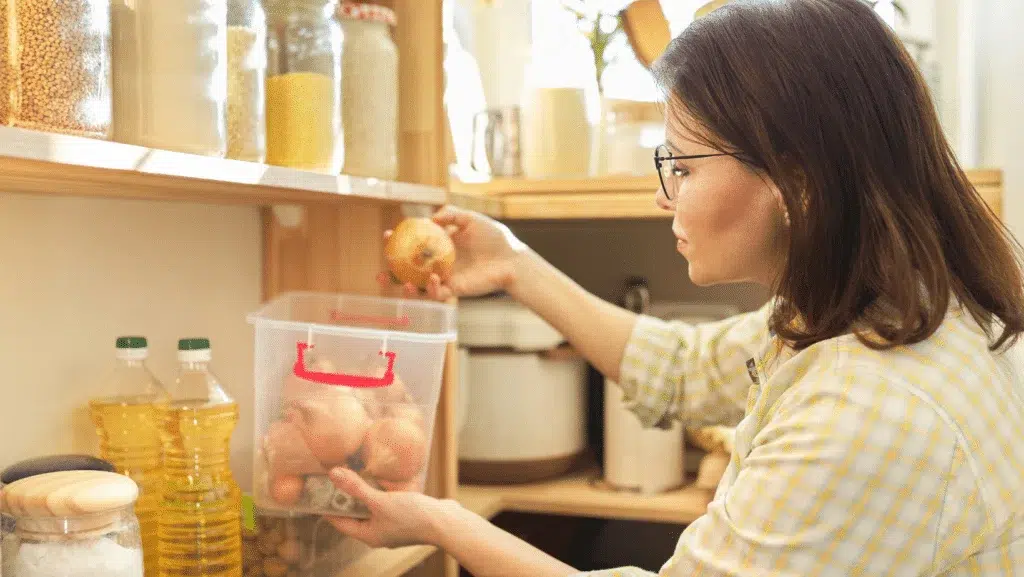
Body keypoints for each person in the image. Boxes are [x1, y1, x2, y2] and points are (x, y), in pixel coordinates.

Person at [326, 0, 1024, 574]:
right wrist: (512, 263)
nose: (666, 197)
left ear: (798, 182)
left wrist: (443, 522)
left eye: (682, 167)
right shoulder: (876, 310)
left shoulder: (869, 408)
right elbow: (682, 366)